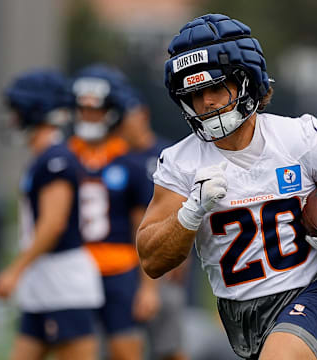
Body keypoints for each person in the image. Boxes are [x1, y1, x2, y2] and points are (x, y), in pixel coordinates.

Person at [136, 13, 317, 360]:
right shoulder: (180, 163)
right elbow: (152, 259)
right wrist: (191, 211)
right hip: (244, 316)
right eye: (195, 93)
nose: (206, 103)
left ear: (247, 80)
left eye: (215, 87)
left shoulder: (300, 138)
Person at [0, 69, 104, 360]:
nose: (13, 119)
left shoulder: (56, 159)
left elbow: (53, 224)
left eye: (18, 110)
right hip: (42, 282)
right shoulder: (45, 158)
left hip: (63, 284)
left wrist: (15, 269)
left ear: (35, 110)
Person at [68, 64, 160, 360]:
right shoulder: (63, 158)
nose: (88, 116)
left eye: (96, 110)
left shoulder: (129, 162)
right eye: (83, 109)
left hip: (120, 269)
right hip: (74, 268)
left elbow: (142, 228)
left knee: (125, 350)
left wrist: (148, 287)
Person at [117, 86, 190, 360]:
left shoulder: (168, 154)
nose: (123, 123)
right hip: (124, 265)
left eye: (127, 115)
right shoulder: (117, 157)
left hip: (161, 261)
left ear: (142, 115)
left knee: (168, 347)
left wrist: (180, 260)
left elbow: (184, 213)